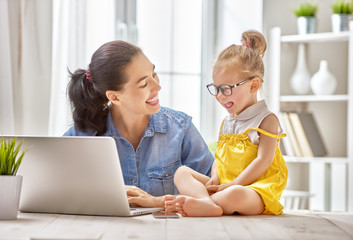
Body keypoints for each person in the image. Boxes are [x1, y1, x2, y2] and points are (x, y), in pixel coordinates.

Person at [64, 40, 214, 208]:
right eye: (144, 83)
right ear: (114, 97)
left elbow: (215, 190)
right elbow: (57, 192)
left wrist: (158, 202)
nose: (158, 86)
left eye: (154, 74)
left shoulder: (180, 129)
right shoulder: (82, 137)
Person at [164, 30, 288, 217]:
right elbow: (219, 159)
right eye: (216, 88)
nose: (220, 96)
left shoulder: (266, 120)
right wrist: (215, 178)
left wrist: (234, 184)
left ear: (253, 85)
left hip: (255, 191)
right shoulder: (227, 121)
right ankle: (207, 203)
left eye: (226, 89)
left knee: (235, 194)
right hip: (226, 184)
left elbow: (263, 161)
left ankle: (206, 202)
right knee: (182, 172)